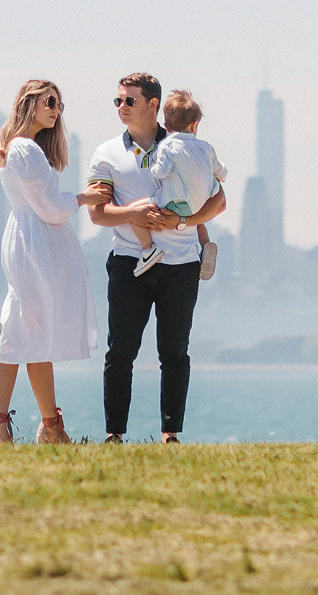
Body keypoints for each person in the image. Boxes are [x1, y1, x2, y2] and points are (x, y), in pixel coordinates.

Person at [86, 72, 225, 443]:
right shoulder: (106, 153)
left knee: (174, 353)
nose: (121, 107)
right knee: (121, 353)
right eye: (117, 100)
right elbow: (97, 214)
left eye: (129, 100)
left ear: (153, 105)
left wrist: (183, 220)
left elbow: (220, 201)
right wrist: (135, 215)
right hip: (129, 262)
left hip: (181, 266)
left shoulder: (187, 144)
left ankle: (170, 435)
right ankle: (114, 434)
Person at [0, 79, 97, 444]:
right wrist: (82, 198)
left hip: (27, 241)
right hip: (36, 246)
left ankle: (25, 425)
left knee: (23, 332)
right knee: (30, 331)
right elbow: (49, 208)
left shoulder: (10, 145)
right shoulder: (24, 150)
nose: (55, 109)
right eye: (49, 101)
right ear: (28, 102)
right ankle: (36, 427)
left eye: (59, 104)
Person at [136, 89, 224, 280]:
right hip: (201, 204)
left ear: (166, 127)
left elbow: (161, 172)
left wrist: (152, 169)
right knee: (197, 215)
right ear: (195, 124)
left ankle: (148, 250)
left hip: (177, 206)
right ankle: (206, 244)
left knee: (136, 210)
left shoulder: (168, 146)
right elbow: (221, 171)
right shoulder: (206, 147)